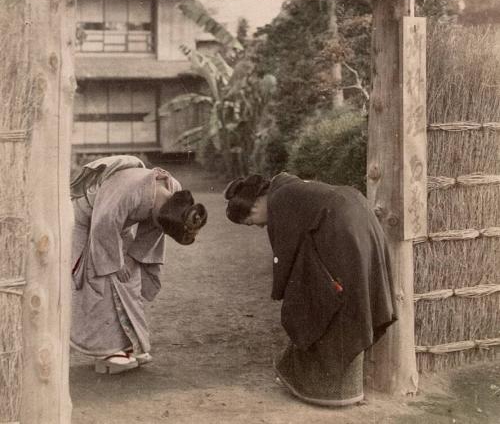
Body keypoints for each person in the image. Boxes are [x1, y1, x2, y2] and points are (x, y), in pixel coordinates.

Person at [225, 172, 396, 406]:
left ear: (254, 206)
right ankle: (344, 387)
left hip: (343, 228)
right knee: (352, 297)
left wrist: (284, 293)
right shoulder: (286, 187)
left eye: (251, 222)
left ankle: (327, 390)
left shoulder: (280, 199)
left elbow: (286, 257)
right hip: (361, 219)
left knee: (321, 302)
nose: (259, 226)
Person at [70, 155, 207, 374]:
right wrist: (116, 264)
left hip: (115, 226)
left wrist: (132, 259)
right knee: (102, 279)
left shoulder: (173, 190)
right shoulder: (130, 190)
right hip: (86, 218)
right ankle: (107, 353)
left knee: (131, 280)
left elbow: (154, 229)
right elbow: (102, 225)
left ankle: (130, 345)